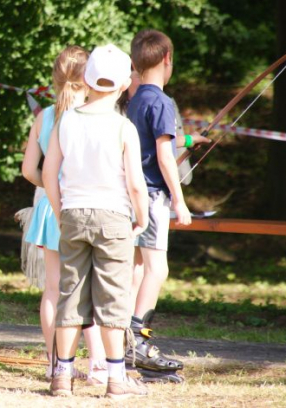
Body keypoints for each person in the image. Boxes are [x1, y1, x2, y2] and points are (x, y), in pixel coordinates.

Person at [43, 44, 150, 399]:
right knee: (113, 297)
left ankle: (62, 375)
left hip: (74, 213)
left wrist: (61, 214)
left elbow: (48, 174)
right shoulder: (124, 127)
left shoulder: (67, 120)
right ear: (124, 85)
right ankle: (116, 379)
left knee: (70, 293)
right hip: (114, 218)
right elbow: (135, 183)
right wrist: (142, 215)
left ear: (86, 81)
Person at [19, 45, 108, 385]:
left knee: (53, 289)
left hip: (47, 209)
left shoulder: (43, 117)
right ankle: (99, 364)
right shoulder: (93, 113)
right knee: (90, 288)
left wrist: (49, 185)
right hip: (83, 206)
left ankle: (54, 363)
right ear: (88, 78)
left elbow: (30, 169)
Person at [125, 29, 192, 382]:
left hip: (134, 195)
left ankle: (125, 336)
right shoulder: (162, 102)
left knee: (137, 268)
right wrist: (179, 201)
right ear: (167, 58)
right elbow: (166, 157)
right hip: (152, 197)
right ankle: (139, 340)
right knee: (157, 269)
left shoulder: (135, 98)